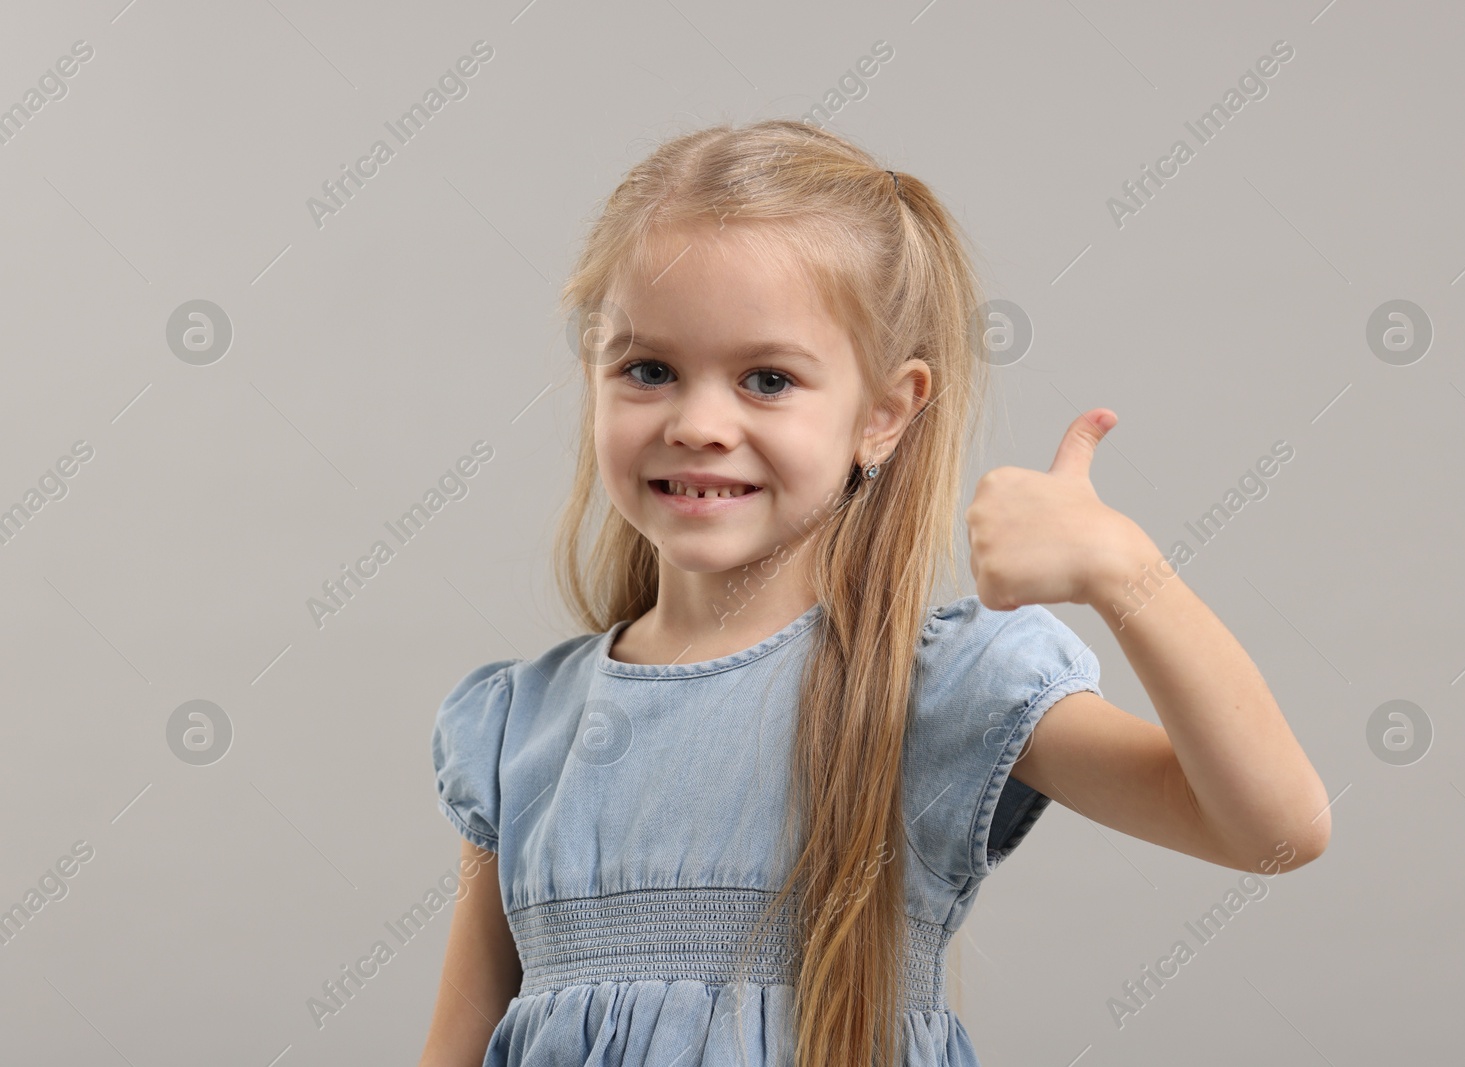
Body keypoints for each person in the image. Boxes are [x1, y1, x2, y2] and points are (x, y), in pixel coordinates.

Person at [417, 118, 1330, 1067]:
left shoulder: (931, 688)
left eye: (767, 379)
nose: (698, 422)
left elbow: (1274, 828)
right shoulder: (517, 727)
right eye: (649, 370)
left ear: (884, 416)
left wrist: (1123, 570)